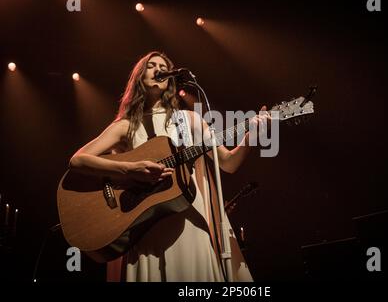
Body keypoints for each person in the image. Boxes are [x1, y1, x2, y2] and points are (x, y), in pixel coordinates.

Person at [69, 51, 269, 282]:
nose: (158, 70)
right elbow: (78, 160)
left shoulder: (190, 120)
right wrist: (129, 170)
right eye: (151, 66)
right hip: (146, 223)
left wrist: (250, 136)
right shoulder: (126, 125)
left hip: (189, 219)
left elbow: (228, 163)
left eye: (163, 66)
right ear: (139, 77)